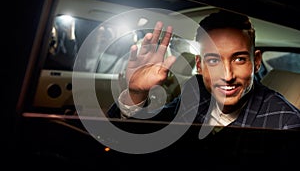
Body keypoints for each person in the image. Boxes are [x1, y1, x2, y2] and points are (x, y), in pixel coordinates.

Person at [107, 10, 300, 130]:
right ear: (199, 65)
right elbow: (150, 129)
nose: (227, 76)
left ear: (256, 61)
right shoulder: (195, 90)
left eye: (239, 59)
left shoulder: (286, 122)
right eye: (214, 60)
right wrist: (136, 93)